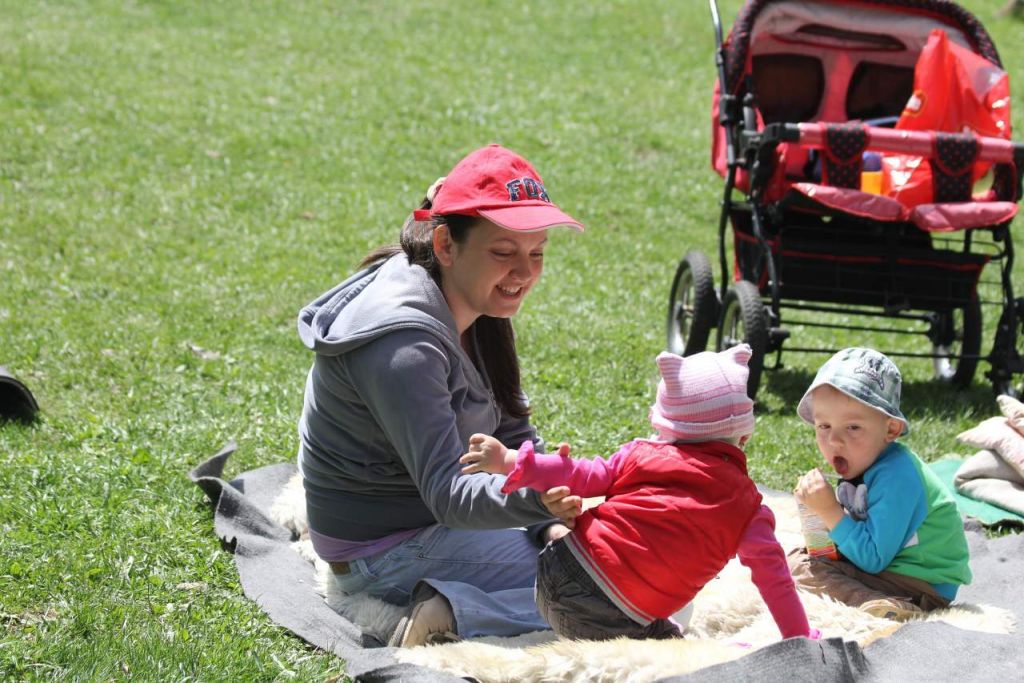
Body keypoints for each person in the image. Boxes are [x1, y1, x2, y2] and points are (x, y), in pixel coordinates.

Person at [295, 144, 585, 647]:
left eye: (536, 252)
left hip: (435, 525)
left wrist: (546, 523)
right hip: (383, 552)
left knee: (605, 557)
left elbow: (511, 429)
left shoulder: (472, 300)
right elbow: (450, 494)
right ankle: (449, 610)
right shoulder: (405, 346)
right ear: (446, 244)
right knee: (608, 588)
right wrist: (537, 501)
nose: (524, 272)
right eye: (503, 252)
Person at [461, 345, 818, 641]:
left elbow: (578, 473)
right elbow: (775, 580)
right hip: (614, 616)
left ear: (664, 423)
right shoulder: (748, 509)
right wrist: (799, 635)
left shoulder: (641, 454)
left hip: (557, 568)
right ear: (745, 435)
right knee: (675, 646)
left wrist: (509, 460)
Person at [790, 347, 972, 621]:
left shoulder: (898, 476)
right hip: (894, 568)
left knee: (802, 570)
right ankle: (882, 601)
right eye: (824, 426)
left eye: (853, 427)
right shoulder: (864, 460)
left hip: (923, 582)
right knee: (800, 558)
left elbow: (873, 558)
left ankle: (885, 605)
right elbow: (858, 530)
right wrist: (816, 517)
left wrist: (829, 510)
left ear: (890, 429)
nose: (835, 441)